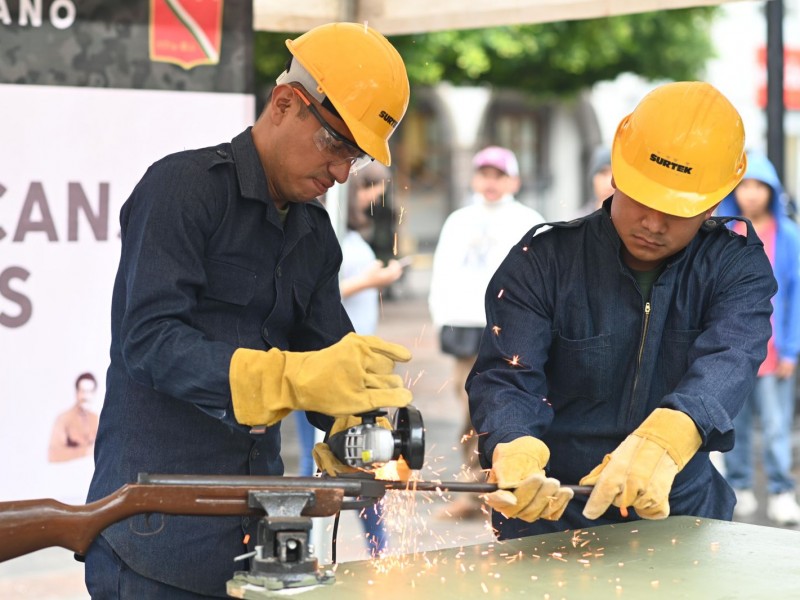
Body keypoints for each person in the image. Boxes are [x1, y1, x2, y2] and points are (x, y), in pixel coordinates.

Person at [84, 23, 412, 599]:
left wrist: (357, 425)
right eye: (336, 143)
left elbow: (328, 358)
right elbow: (150, 340)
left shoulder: (314, 233)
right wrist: (280, 377)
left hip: (258, 532)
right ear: (286, 103)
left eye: (354, 159)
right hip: (154, 530)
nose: (341, 173)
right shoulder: (182, 188)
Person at [467, 81, 777, 541]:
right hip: (551, 508)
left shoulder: (736, 264)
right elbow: (507, 374)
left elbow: (730, 358)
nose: (653, 223)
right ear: (616, 171)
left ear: (714, 200)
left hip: (678, 508)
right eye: (642, 199)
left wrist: (670, 435)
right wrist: (513, 442)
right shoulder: (544, 259)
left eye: (676, 210)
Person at [428, 146, 545, 519]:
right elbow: (442, 271)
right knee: (471, 408)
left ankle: (509, 484)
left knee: (512, 403)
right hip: (466, 326)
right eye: (485, 174)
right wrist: (440, 316)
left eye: (499, 175)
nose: (491, 183)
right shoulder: (459, 220)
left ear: (514, 179)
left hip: (515, 327)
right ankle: (475, 488)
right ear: (474, 178)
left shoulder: (528, 219)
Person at [293, 164, 404, 555]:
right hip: (325, 365)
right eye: (369, 188)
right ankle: (307, 547)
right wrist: (371, 281)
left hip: (355, 363)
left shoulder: (348, 233)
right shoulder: (324, 229)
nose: (375, 197)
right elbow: (317, 299)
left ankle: (378, 546)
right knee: (322, 461)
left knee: (362, 457)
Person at [718, 151, 800, 526]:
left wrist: (792, 348)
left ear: (771, 190)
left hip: (773, 351)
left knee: (776, 425)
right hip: (731, 352)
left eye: (759, 186)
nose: (751, 193)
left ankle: (782, 490)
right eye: (744, 185)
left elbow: (796, 294)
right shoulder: (723, 232)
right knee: (732, 422)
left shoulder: (788, 237)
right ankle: (740, 486)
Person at [48, 372, 99, 462]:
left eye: (90, 391)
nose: (86, 396)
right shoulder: (64, 418)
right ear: (77, 392)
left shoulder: (96, 419)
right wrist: (85, 452)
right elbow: (53, 454)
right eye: (83, 391)